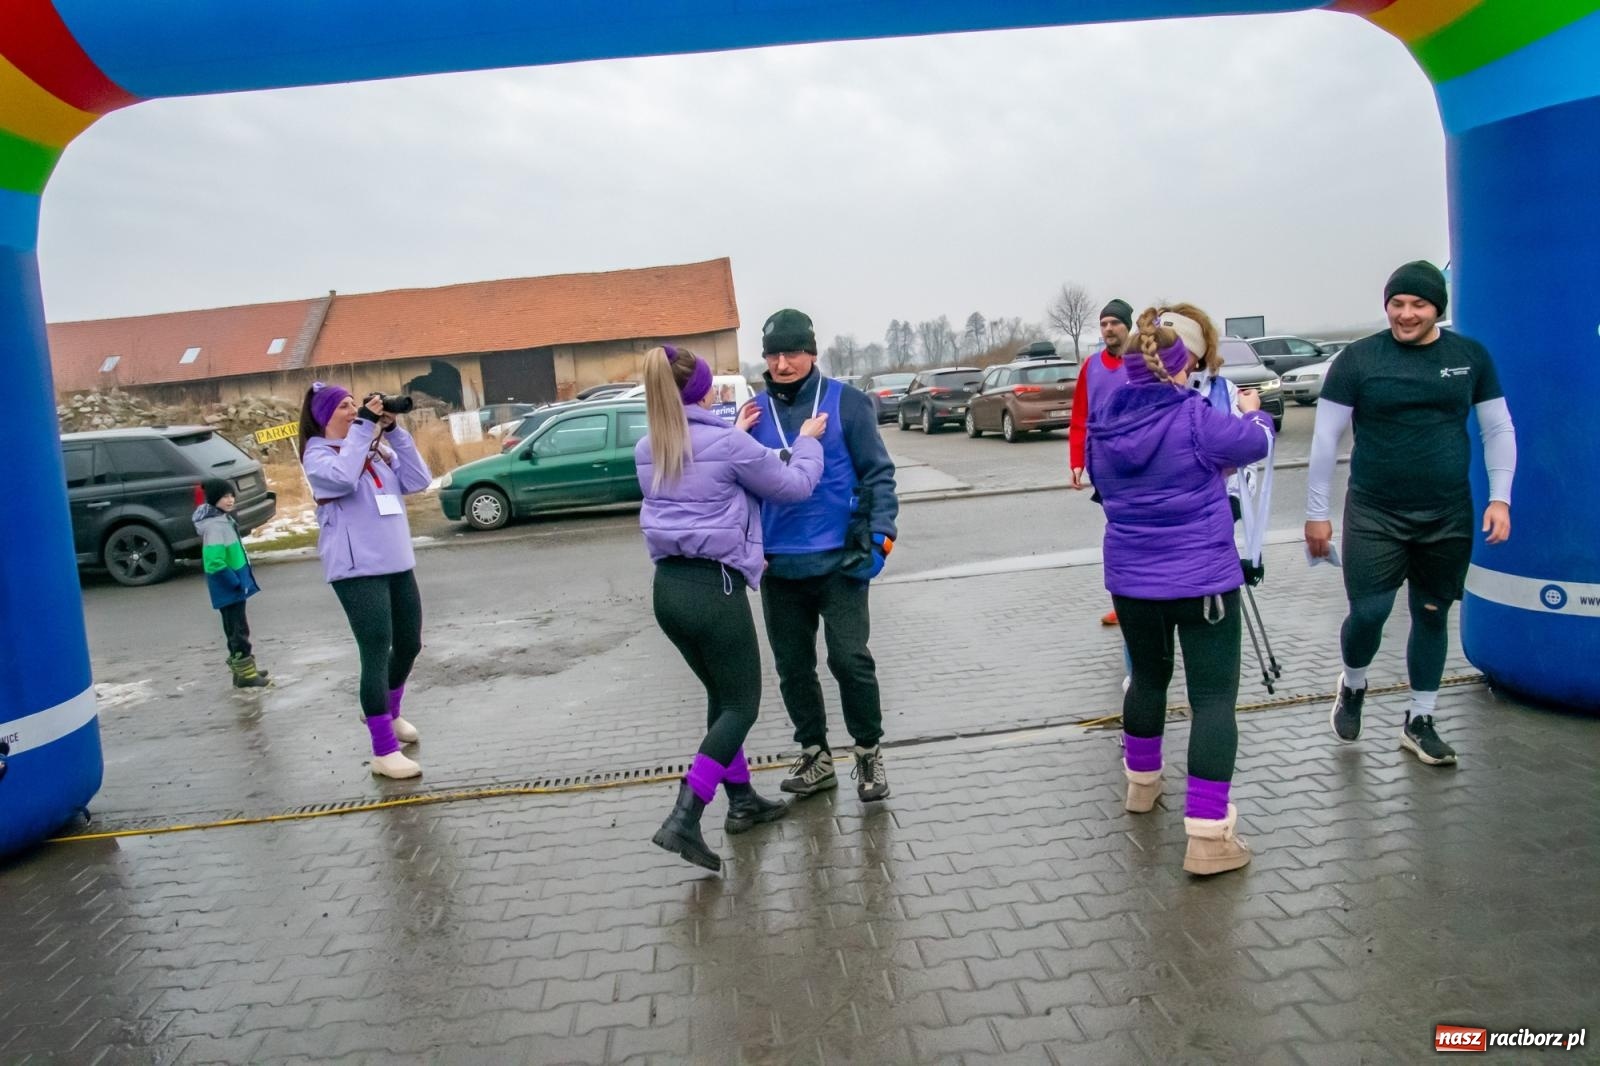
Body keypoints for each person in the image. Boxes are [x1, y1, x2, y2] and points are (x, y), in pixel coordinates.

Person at [1306, 261, 1516, 765]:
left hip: (1446, 514)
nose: (1405, 314)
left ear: (1436, 309)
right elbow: (1324, 438)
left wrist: (1500, 497)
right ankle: (1352, 683)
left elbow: (1497, 429)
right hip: (1375, 512)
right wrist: (1317, 514)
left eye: (1417, 304)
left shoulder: (1469, 357)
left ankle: (1420, 719)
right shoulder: (1358, 360)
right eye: (1397, 304)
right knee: (1371, 613)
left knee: (1431, 613)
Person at [1090, 306, 1275, 876]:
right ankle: (1208, 836)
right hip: (1203, 584)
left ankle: (1141, 788)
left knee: (1146, 679)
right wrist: (1256, 414)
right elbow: (1255, 445)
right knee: (1213, 702)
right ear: (1181, 366)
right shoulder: (1196, 418)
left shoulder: (1104, 424)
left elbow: (1104, 488)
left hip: (1131, 582)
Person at [637, 344, 828, 872]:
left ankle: (741, 800)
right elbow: (793, 486)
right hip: (713, 591)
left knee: (722, 699)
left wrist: (738, 437)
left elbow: (701, 476)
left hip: (668, 591)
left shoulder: (649, 446)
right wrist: (808, 443)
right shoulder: (724, 445)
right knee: (742, 705)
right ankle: (685, 816)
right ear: (702, 390)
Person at [747, 309, 899, 803]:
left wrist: (881, 537)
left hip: (841, 562)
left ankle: (868, 752)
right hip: (778, 565)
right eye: (773, 354)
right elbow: (736, 485)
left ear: (812, 353)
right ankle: (815, 755)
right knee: (793, 667)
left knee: (850, 660)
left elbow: (878, 473)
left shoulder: (848, 403)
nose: (783, 364)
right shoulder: (752, 413)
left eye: (792, 353)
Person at [298, 382, 434, 780]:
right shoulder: (317, 456)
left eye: (353, 404)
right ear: (324, 416)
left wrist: (393, 432)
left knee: (409, 643)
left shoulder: (373, 448)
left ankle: (387, 714)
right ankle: (383, 750)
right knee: (375, 650)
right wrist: (363, 426)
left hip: (395, 561)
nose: (352, 410)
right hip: (357, 569)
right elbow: (341, 481)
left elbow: (418, 481)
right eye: (343, 406)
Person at [1070, 299, 1134, 627]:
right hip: (1106, 470)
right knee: (1118, 539)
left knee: (1142, 536)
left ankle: (1147, 603)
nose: (1108, 329)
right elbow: (1080, 416)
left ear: (1128, 326)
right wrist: (1077, 460)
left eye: (1115, 323)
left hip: (1142, 465)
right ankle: (1123, 604)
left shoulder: (1142, 364)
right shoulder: (1091, 367)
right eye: (1104, 323)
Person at [193, 477, 268, 688]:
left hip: (233, 587)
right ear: (214, 499)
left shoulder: (222, 520)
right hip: (229, 588)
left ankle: (243, 670)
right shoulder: (216, 526)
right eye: (225, 496)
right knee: (238, 631)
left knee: (236, 629)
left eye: (231, 495)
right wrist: (235, 582)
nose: (230, 500)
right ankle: (246, 675)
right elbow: (214, 562)